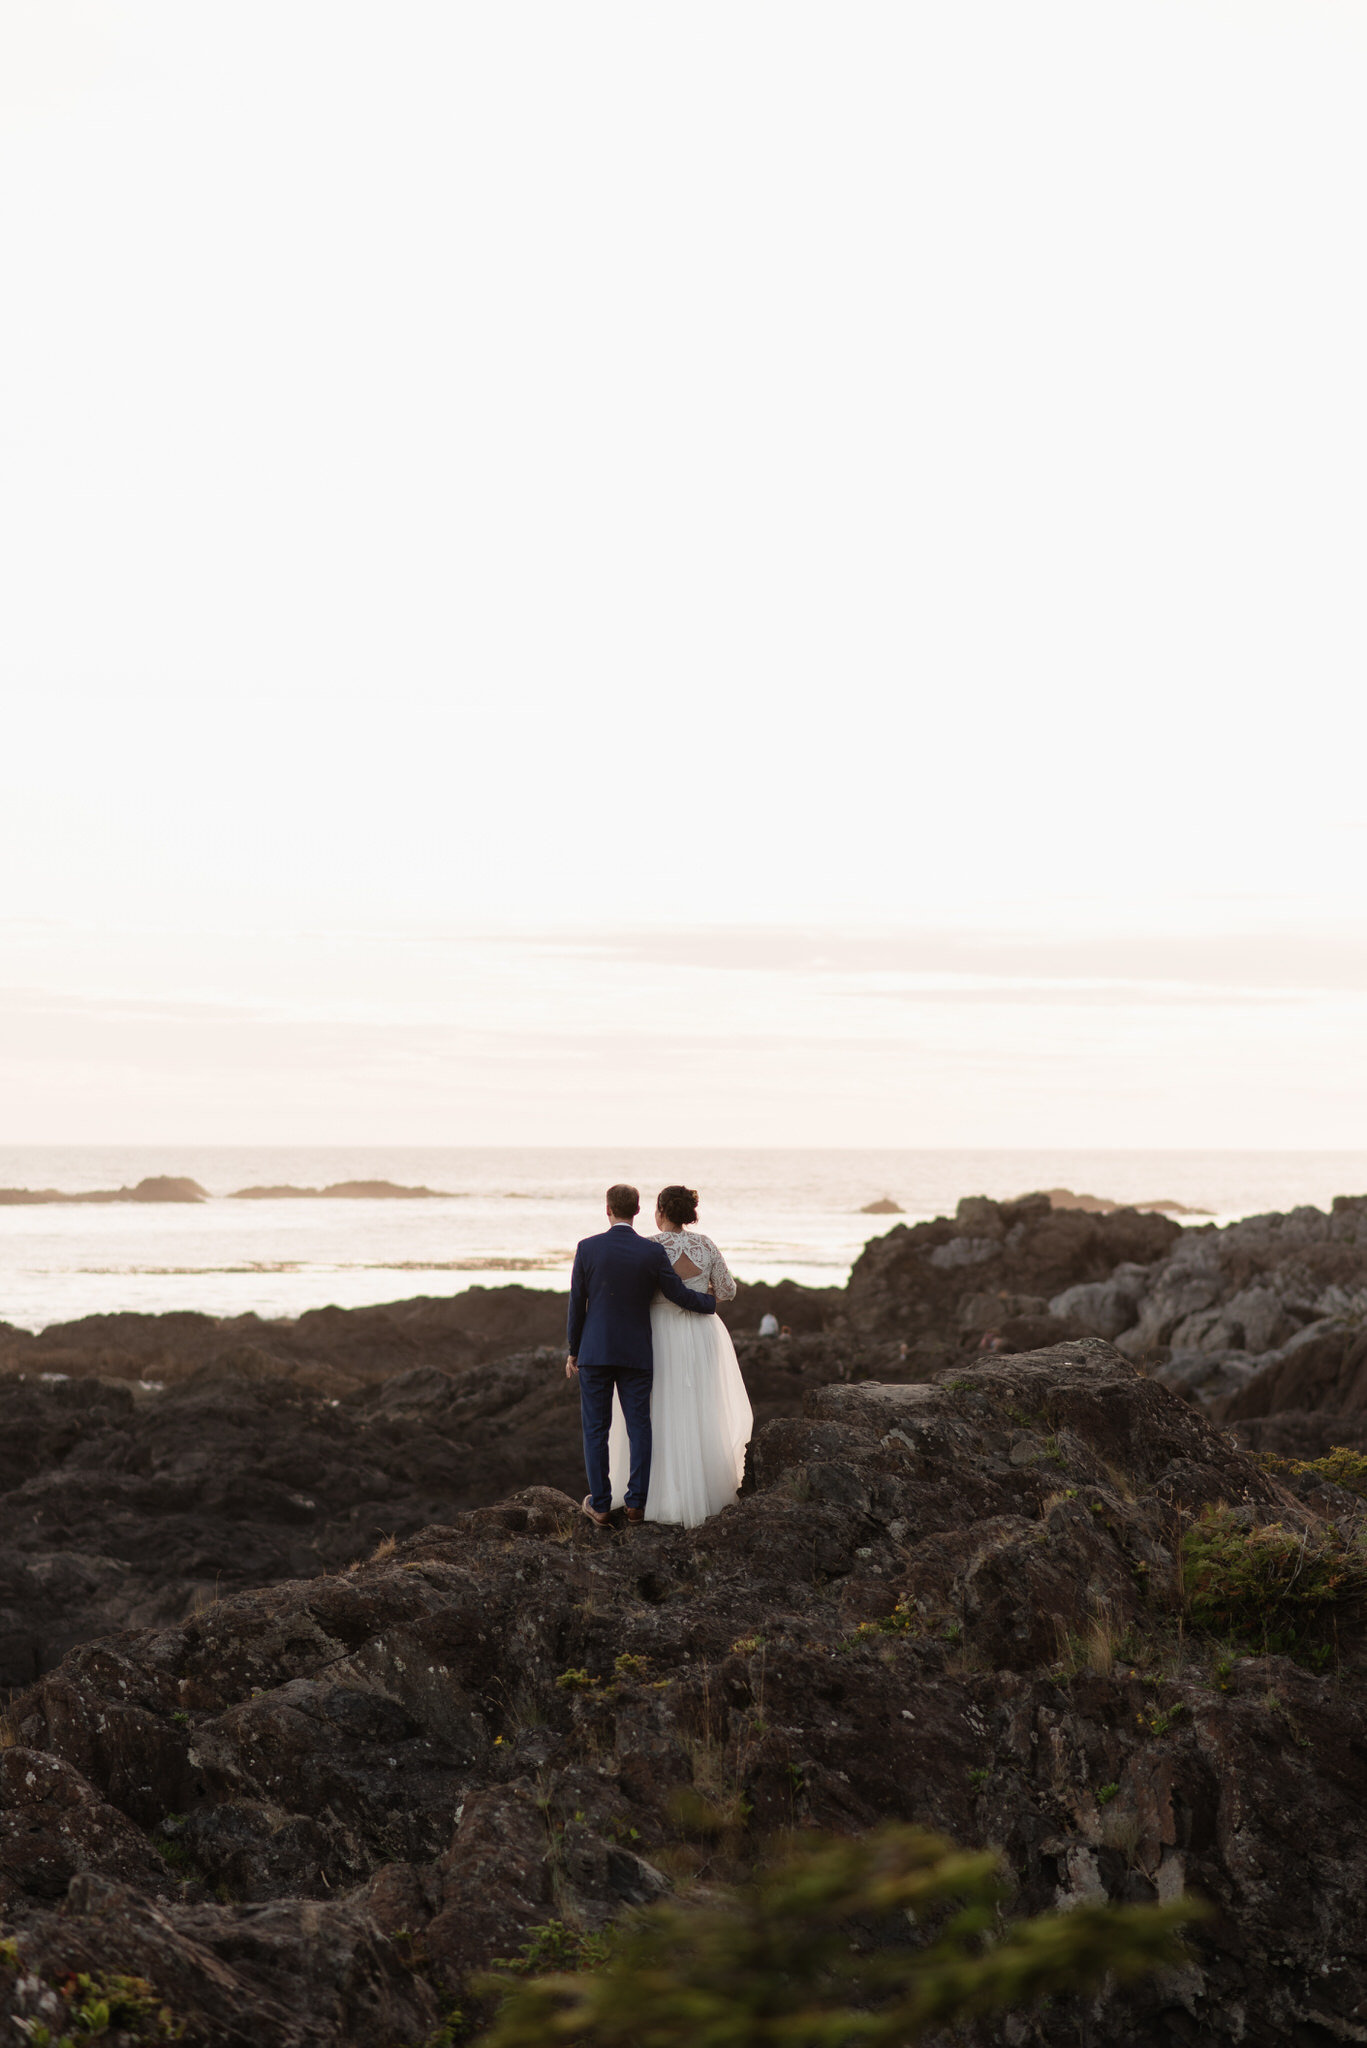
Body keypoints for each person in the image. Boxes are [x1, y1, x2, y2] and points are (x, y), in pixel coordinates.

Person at [566, 1183, 717, 1528]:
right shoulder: (649, 1252)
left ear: (608, 1209)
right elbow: (678, 1293)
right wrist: (708, 1303)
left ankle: (600, 1505)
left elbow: (577, 1304)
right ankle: (636, 1505)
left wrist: (573, 1351)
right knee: (640, 1427)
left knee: (595, 1429)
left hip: (596, 1351)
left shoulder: (587, 1248)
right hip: (636, 1351)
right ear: (637, 1211)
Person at [607, 1184, 754, 1529]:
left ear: (660, 1212)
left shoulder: (649, 1247)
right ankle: (703, 1492)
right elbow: (729, 1290)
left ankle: (655, 1494)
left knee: (657, 1409)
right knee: (701, 1406)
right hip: (703, 1332)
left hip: (661, 1331)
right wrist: (704, 1290)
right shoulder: (706, 1244)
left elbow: (635, 1292)